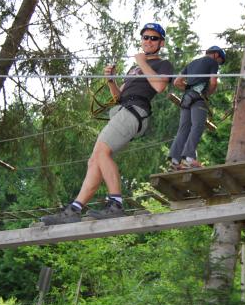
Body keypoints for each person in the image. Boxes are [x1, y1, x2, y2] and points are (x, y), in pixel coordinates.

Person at [42, 23, 174, 225]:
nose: (148, 41)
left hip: (135, 112)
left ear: (161, 43)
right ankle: (75, 209)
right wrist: (111, 81)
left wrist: (142, 62)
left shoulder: (163, 64)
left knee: (101, 152)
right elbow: (118, 97)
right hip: (123, 110)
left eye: (153, 38)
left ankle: (116, 204)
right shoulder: (134, 68)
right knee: (95, 159)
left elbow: (159, 86)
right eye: (145, 37)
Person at [168, 46, 224, 170]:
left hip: (186, 98)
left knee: (183, 129)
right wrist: (207, 93)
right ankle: (189, 159)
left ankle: (175, 161)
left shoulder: (192, 63)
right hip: (199, 99)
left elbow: (177, 82)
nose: (219, 63)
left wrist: (189, 89)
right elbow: (213, 82)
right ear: (216, 55)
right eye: (220, 60)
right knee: (197, 126)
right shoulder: (213, 62)